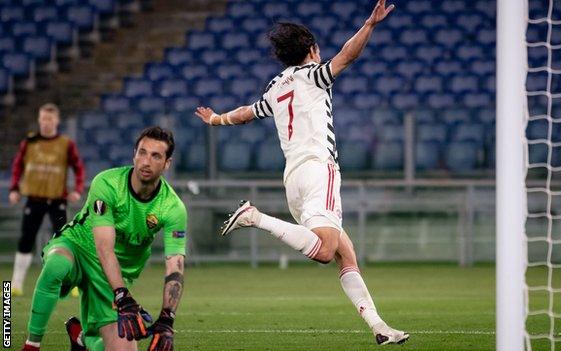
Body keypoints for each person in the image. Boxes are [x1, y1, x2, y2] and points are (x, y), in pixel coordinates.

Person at [195, 0, 409, 345]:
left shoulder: (275, 87)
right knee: (326, 251)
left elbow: (247, 113)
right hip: (317, 171)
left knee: (345, 253)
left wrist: (216, 119)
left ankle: (379, 328)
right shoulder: (314, 75)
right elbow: (348, 56)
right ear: (312, 49)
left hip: (293, 180)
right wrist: (369, 25)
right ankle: (254, 217)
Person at [21, 126, 187, 351]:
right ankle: (32, 344)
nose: (146, 161)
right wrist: (122, 295)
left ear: (167, 163)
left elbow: (174, 268)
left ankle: (81, 339)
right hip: (79, 246)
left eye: (156, 155)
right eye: (142, 152)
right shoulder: (107, 184)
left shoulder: (173, 208)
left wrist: (167, 319)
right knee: (57, 265)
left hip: (116, 273)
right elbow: (104, 248)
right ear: (134, 154)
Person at [9, 103, 85, 297]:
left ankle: (72, 282)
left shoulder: (66, 144)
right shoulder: (29, 142)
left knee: (63, 241)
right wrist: (14, 188)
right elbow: (18, 166)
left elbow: (78, 168)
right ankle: (16, 284)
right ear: (39, 119)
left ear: (56, 121)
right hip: (33, 199)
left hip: (56, 200)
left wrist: (77, 189)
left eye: (50, 119)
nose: (46, 123)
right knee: (26, 240)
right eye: (43, 118)